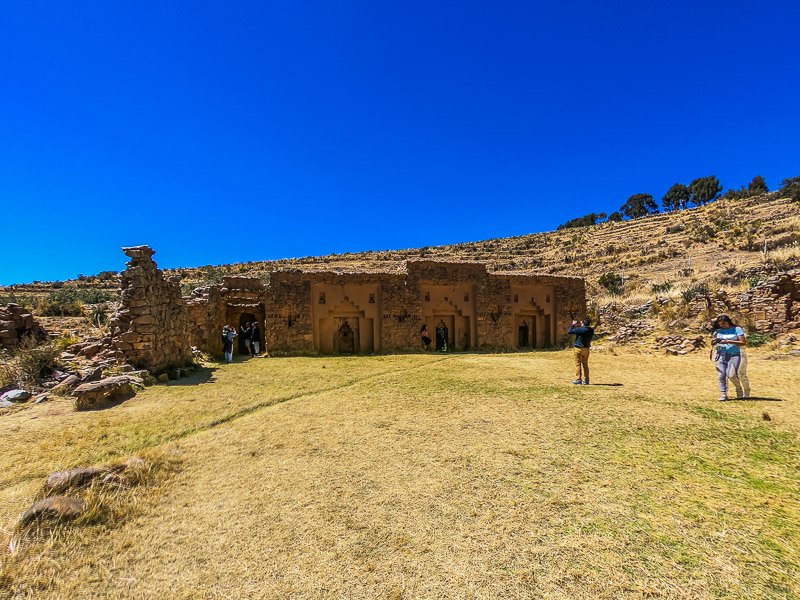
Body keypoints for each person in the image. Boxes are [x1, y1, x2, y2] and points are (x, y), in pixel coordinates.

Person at [711, 314, 747, 401]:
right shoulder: (718, 331)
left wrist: (729, 341)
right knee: (721, 375)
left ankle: (738, 389)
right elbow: (713, 340)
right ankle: (723, 394)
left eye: (724, 323)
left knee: (732, 375)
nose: (722, 325)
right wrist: (714, 341)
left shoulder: (737, 329)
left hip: (734, 354)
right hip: (721, 354)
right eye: (720, 324)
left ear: (728, 322)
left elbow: (743, 342)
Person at [568, 317, 594, 385]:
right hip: (586, 349)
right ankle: (586, 380)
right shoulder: (591, 330)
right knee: (585, 365)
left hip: (578, 348)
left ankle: (579, 380)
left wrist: (573, 324)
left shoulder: (580, 330)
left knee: (578, 364)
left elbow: (570, 331)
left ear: (583, 324)